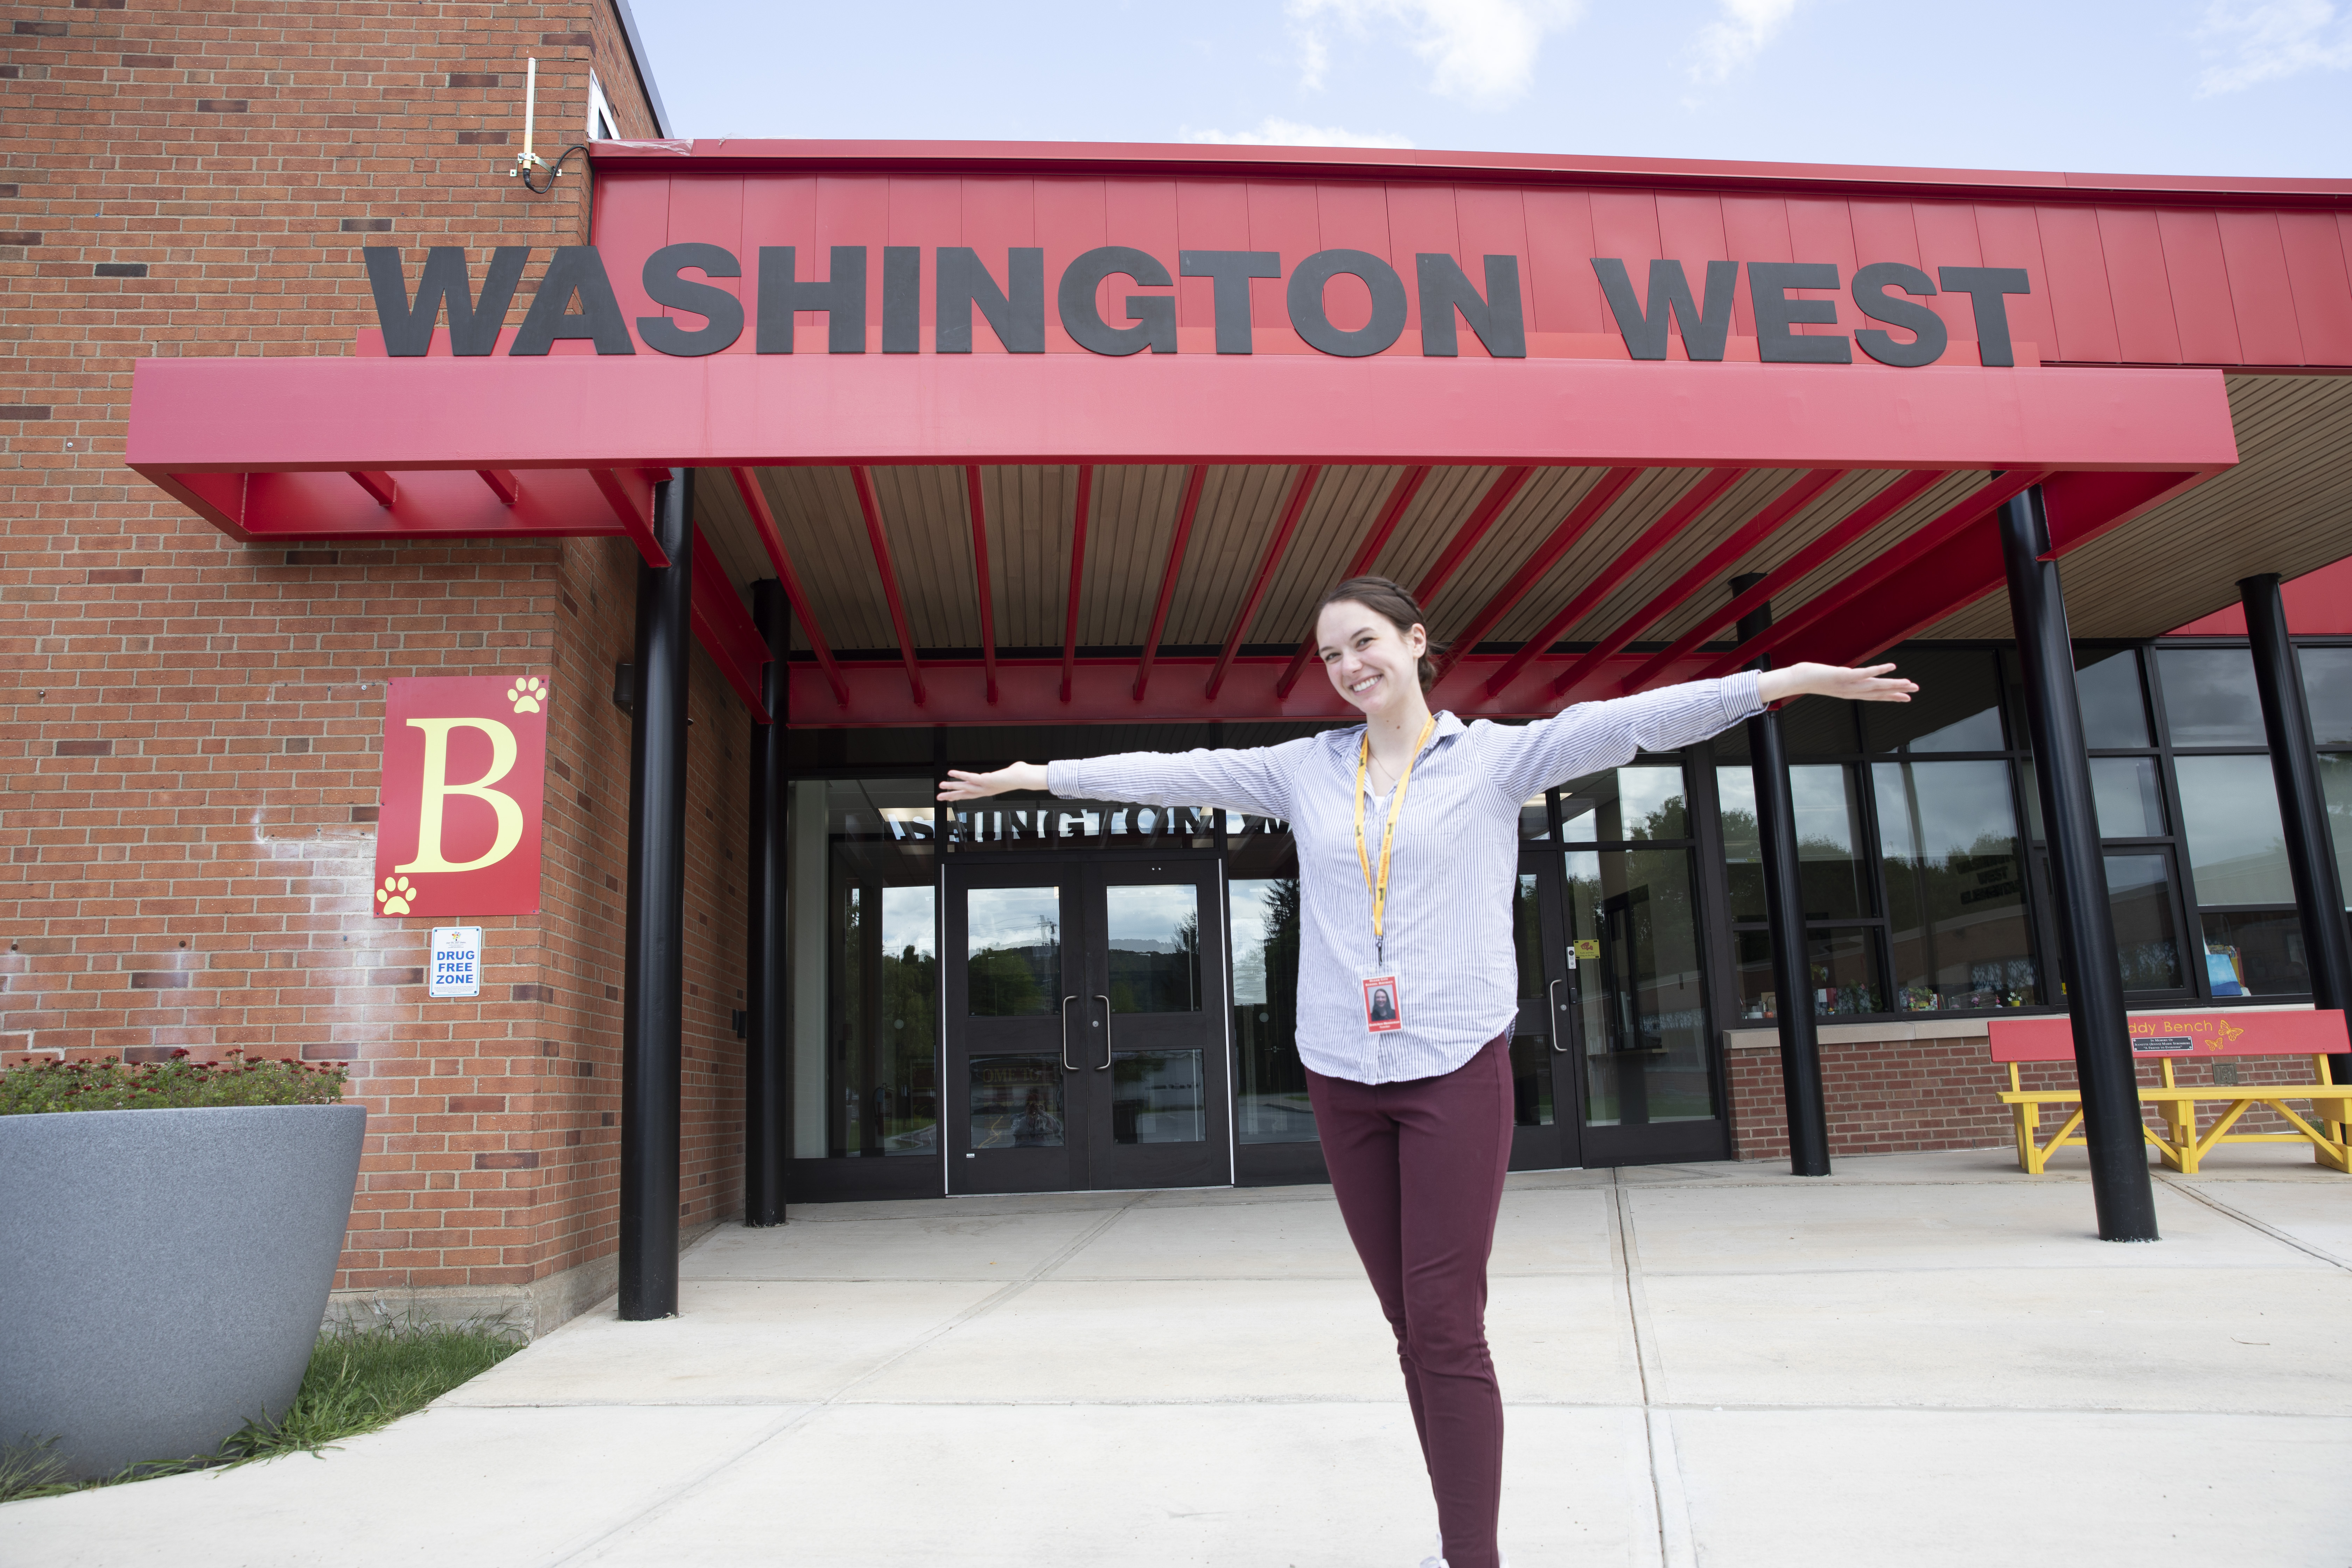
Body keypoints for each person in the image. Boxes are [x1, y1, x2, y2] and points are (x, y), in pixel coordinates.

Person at [939, 574, 1917, 1568]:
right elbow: (1179, 770)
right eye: (1331, 656)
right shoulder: (1303, 770)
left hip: (1453, 1065)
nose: (1350, 667)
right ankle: (1459, 1539)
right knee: (1409, 1325)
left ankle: (1471, 1559)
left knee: (1447, 1326)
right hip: (1339, 1069)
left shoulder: (1496, 760)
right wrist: (1043, 776)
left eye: (1365, 643)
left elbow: (1631, 724)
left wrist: (1778, 681)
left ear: (1415, 643)